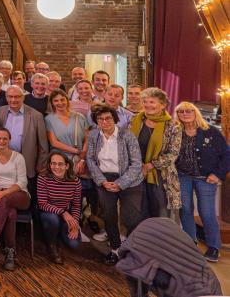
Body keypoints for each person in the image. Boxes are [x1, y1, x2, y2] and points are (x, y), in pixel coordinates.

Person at [86, 104, 144, 265]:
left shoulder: (127, 135)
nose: (105, 122)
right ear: (96, 121)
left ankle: (133, 249)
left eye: (108, 118)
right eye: (100, 119)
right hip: (104, 179)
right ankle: (115, 249)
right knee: (109, 215)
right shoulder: (94, 135)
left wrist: (120, 183)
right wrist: (102, 181)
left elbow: (136, 164)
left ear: (115, 119)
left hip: (129, 179)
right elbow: (90, 160)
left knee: (131, 216)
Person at [173, 101, 229, 262]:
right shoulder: (175, 132)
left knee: (207, 212)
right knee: (186, 210)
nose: (185, 114)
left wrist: (217, 174)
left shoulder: (210, 131)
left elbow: (226, 155)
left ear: (195, 112)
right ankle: (191, 244)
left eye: (188, 110)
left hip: (206, 178)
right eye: (181, 111)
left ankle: (213, 247)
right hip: (182, 176)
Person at [0, 127, 30, 271]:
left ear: (9, 140)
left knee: (7, 201)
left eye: (5, 139)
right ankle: (10, 252)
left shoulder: (18, 157)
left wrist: (3, 194)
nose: (1, 141)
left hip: (20, 195)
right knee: (10, 214)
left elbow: (22, 182)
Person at [129, 87, 181, 219]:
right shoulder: (136, 120)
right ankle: (140, 238)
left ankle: (160, 238)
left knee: (160, 210)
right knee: (137, 210)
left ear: (163, 105)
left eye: (152, 102)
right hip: (136, 171)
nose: (147, 105)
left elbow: (173, 154)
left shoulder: (173, 125)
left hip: (160, 174)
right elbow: (127, 145)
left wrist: (150, 165)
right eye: (145, 101)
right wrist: (138, 164)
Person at [0, 86, 50, 195]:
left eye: (17, 97)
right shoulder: (1, 111)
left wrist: (41, 165)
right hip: (4, 161)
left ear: (23, 98)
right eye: (10, 97)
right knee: (6, 193)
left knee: (26, 194)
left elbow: (43, 144)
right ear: (6, 97)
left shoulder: (36, 115)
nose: (13, 100)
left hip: (26, 162)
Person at [37, 152, 82, 265]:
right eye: (53, 163)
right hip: (47, 213)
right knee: (53, 220)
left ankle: (58, 234)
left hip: (65, 215)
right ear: (49, 165)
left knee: (74, 244)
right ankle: (51, 245)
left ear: (67, 166)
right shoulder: (43, 178)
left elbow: (76, 205)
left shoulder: (75, 181)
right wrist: (62, 212)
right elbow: (42, 203)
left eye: (60, 164)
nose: (56, 167)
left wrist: (75, 224)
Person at [45, 89, 88, 172]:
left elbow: (87, 138)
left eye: (62, 99)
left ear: (67, 100)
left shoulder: (80, 117)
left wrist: (82, 158)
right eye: (56, 101)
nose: (60, 103)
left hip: (79, 160)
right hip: (59, 161)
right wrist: (77, 151)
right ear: (52, 103)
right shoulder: (49, 119)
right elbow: (54, 142)